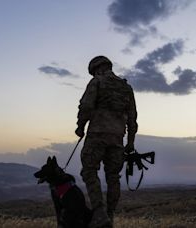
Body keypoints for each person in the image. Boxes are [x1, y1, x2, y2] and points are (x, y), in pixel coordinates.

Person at [75, 56, 138, 228]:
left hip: (97, 135)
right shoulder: (126, 88)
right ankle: (110, 216)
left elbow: (86, 106)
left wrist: (80, 127)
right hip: (117, 139)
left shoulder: (97, 82)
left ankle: (100, 213)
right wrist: (130, 143)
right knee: (113, 177)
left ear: (97, 69)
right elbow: (132, 119)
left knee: (89, 171)